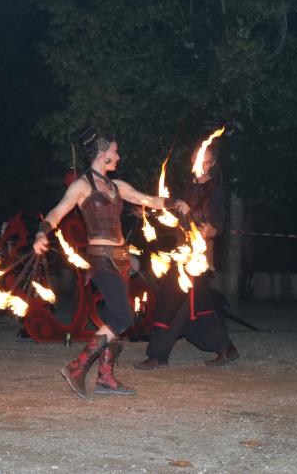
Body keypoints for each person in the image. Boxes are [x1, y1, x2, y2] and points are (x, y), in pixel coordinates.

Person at [33, 127, 189, 398]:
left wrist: (176, 202)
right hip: (101, 260)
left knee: (114, 317)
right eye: (115, 151)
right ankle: (78, 366)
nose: (118, 157)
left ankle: (106, 378)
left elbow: (148, 200)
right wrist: (41, 232)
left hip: (121, 260)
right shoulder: (82, 186)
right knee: (123, 317)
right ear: (103, 153)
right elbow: (58, 212)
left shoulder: (118, 187)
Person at [134, 145, 239, 370]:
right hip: (182, 254)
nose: (197, 162)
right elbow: (174, 215)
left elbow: (218, 221)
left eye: (204, 160)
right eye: (195, 157)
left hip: (197, 258)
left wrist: (213, 230)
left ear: (211, 164)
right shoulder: (189, 188)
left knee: (170, 300)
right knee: (195, 307)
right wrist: (148, 213)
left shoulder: (214, 190)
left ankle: (157, 355)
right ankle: (225, 348)